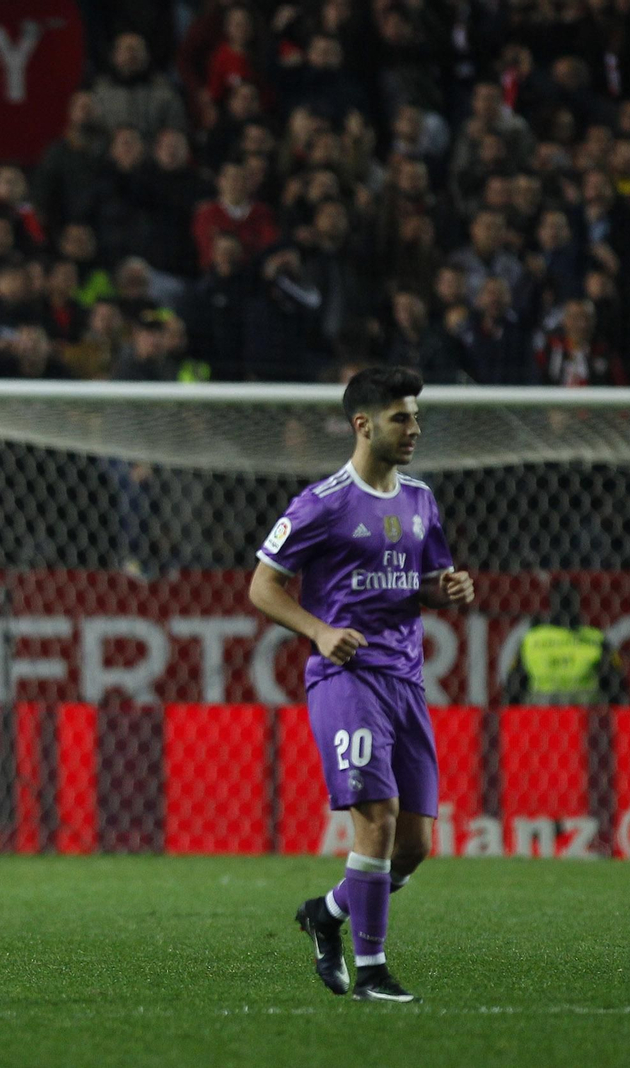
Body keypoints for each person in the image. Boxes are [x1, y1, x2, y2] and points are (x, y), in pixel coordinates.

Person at [248, 367, 475, 1003]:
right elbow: (262, 586)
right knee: (375, 818)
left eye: (416, 418)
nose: (415, 429)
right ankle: (373, 971)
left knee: (413, 846)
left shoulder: (422, 500)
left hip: (406, 681)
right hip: (346, 679)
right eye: (402, 418)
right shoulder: (323, 503)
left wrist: (449, 590)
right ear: (363, 424)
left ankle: (327, 913)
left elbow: (426, 582)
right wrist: (318, 631)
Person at [506, 582, 626, 705]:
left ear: (551, 605)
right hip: (586, 715)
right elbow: (617, 688)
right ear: (578, 605)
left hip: (542, 714)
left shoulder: (531, 640)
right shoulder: (596, 640)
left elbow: (512, 689)